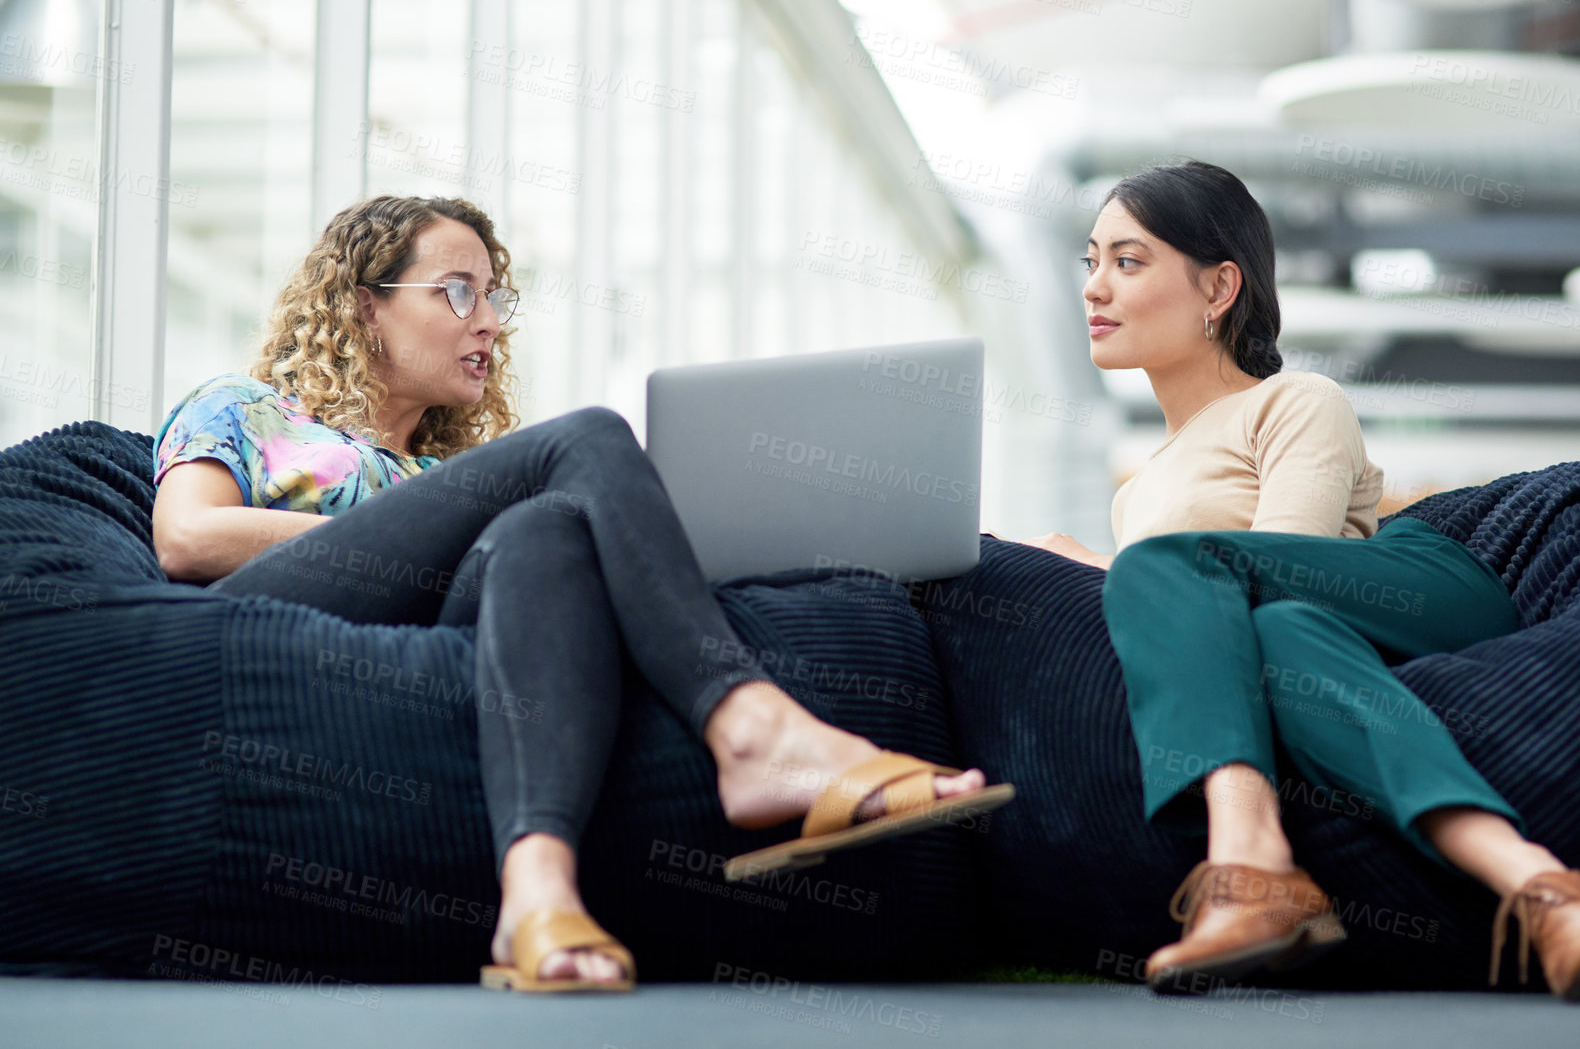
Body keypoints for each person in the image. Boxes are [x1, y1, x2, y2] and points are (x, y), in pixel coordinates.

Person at [151, 194, 1007, 992]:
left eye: (494, 297)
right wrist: (416, 534)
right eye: (456, 291)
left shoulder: (450, 473)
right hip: (261, 620)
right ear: (364, 305)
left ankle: (536, 889)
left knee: (546, 528)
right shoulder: (246, 407)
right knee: (590, 435)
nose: (486, 321)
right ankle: (752, 727)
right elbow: (189, 539)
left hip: (419, 622)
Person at [1018, 161, 1580, 1002]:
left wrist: (1101, 567)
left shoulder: (1294, 400)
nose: (1094, 288)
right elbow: (1227, 621)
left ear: (1218, 287)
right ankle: (1548, 892)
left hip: (1415, 587)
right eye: (1089, 261)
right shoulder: (1135, 494)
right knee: (1275, 643)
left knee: (1193, 581)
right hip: (1311, 636)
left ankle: (1246, 860)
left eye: (1127, 262)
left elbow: (1289, 562)